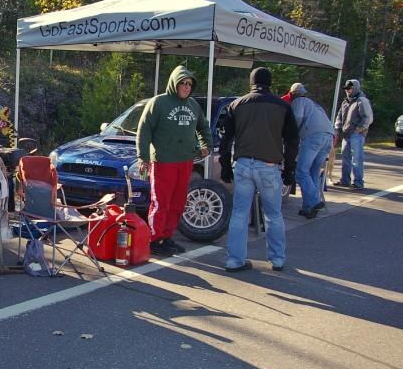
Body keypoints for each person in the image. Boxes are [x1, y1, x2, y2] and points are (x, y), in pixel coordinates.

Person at [219, 67, 299, 272]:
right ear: (270, 82)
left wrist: (226, 166)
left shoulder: (236, 105)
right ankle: (277, 259)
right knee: (273, 214)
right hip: (269, 166)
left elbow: (225, 140)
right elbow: (292, 141)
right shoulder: (283, 106)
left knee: (239, 214)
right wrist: (289, 170)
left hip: (243, 164)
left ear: (251, 82)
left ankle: (234, 260)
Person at [136, 65, 212, 256]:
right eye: (183, 83)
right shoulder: (159, 103)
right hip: (163, 161)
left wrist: (206, 145)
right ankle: (154, 239)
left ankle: (166, 237)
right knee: (161, 202)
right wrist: (143, 157)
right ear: (174, 84)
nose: (186, 87)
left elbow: (203, 126)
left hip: (185, 161)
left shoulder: (193, 105)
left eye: (189, 84)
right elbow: (144, 129)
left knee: (178, 203)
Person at [289, 83, 334, 219]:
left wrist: (292, 134)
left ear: (292, 94)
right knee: (312, 172)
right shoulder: (314, 105)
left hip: (313, 136)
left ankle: (314, 201)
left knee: (301, 171)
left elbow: (297, 118)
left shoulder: (298, 101)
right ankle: (308, 207)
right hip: (328, 137)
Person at [333, 78, 373, 190]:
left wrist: (360, 129)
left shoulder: (362, 100)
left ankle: (358, 182)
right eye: (346, 88)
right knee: (345, 158)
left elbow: (368, 117)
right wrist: (337, 128)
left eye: (349, 88)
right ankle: (345, 181)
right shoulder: (345, 102)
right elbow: (339, 117)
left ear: (355, 88)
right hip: (346, 134)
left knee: (357, 159)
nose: (347, 90)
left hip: (357, 134)